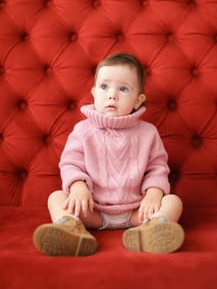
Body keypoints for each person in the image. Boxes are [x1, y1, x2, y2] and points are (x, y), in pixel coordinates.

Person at [33, 52, 184, 256]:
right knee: (56, 197)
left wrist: (153, 193)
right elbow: (71, 165)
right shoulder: (83, 130)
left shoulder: (148, 133)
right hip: (92, 211)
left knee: (173, 202)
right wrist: (78, 188)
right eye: (104, 87)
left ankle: (154, 229)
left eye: (123, 89)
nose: (112, 94)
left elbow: (157, 168)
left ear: (138, 100)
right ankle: (69, 228)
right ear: (94, 93)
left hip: (136, 212)